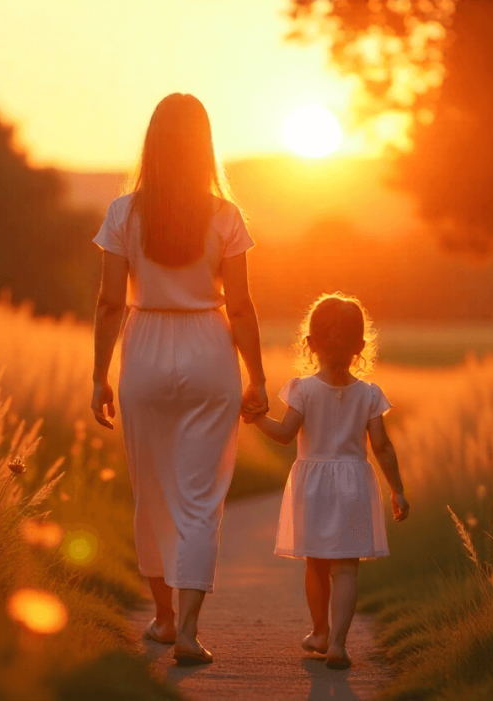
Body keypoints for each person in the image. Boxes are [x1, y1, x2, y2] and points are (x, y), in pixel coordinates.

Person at [91, 93, 269, 665]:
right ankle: (189, 630)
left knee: (153, 495)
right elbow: (241, 307)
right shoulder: (225, 216)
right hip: (209, 348)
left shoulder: (123, 213)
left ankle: (164, 619)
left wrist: (100, 376)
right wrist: (258, 376)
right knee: (200, 499)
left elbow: (108, 303)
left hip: (144, 350)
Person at [242, 293, 409, 669]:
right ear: (360, 347)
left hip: (313, 486)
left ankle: (319, 631)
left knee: (315, 564)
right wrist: (397, 489)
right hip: (353, 485)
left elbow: (285, 434)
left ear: (310, 343)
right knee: (346, 568)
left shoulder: (302, 389)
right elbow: (381, 447)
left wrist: (255, 420)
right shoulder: (369, 394)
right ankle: (338, 643)